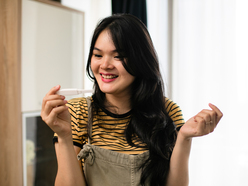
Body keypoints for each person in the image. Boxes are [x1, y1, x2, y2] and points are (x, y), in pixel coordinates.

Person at [41, 14, 223, 186]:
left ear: (141, 60)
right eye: (98, 55)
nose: (105, 65)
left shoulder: (168, 111)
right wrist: (64, 136)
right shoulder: (75, 112)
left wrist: (184, 137)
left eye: (118, 56)